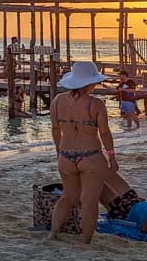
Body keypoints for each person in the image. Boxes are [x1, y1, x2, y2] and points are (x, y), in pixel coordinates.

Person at [50, 61, 117, 244]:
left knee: (68, 197)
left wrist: (59, 151)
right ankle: (86, 240)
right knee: (89, 200)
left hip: (66, 156)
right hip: (90, 156)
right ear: (90, 83)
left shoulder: (57, 101)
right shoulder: (95, 104)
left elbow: (55, 129)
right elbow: (104, 133)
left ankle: (53, 232)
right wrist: (111, 156)